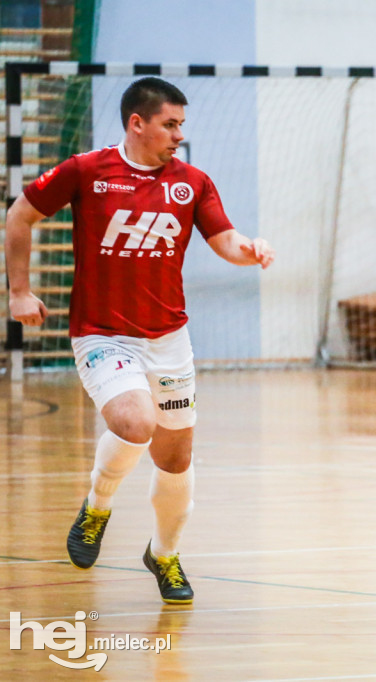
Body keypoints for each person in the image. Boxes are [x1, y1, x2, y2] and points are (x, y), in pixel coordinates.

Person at [5, 77, 275, 604]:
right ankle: (97, 506)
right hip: (102, 332)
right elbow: (20, 214)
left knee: (175, 459)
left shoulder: (192, 182)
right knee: (135, 422)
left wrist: (252, 249)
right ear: (138, 123)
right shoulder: (87, 171)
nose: (178, 135)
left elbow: (225, 240)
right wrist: (19, 290)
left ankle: (164, 554)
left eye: (181, 125)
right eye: (169, 124)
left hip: (168, 338)